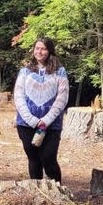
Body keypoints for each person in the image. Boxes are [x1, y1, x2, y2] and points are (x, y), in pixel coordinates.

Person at [13, 37, 69, 183]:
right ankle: (38, 193)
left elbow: (62, 98)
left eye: (43, 48)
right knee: (34, 159)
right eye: (37, 48)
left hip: (52, 125)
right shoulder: (25, 71)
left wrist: (46, 120)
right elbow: (18, 96)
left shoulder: (60, 72)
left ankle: (58, 193)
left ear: (49, 51)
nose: (40, 51)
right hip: (26, 124)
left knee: (48, 158)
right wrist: (31, 120)